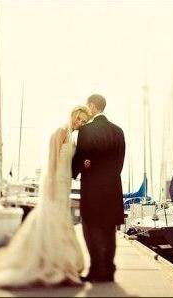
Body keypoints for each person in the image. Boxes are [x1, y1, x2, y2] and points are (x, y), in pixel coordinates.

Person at [0, 105, 92, 290]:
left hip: (65, 183)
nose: (80, 123)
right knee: (53, 221)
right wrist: (51, 186)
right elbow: (52, 161)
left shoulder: (72, 138)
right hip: (55, 183)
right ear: (73, 115)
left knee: (61, 221)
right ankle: (52, 264)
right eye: (78, 118)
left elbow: (71, 163)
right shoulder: (60, 132)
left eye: (84, 121)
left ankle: (59, 263)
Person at [72, 94, 125, 282]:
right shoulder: (118, 131)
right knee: (109, 229)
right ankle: (109, 270)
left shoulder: (86, 130)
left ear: (93, 107)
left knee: (91, 228)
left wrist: (71, 172)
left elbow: (80, 159)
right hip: (112, 189)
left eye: (88, 106)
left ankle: (96, 270)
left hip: (92, 189)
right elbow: (120, 164)